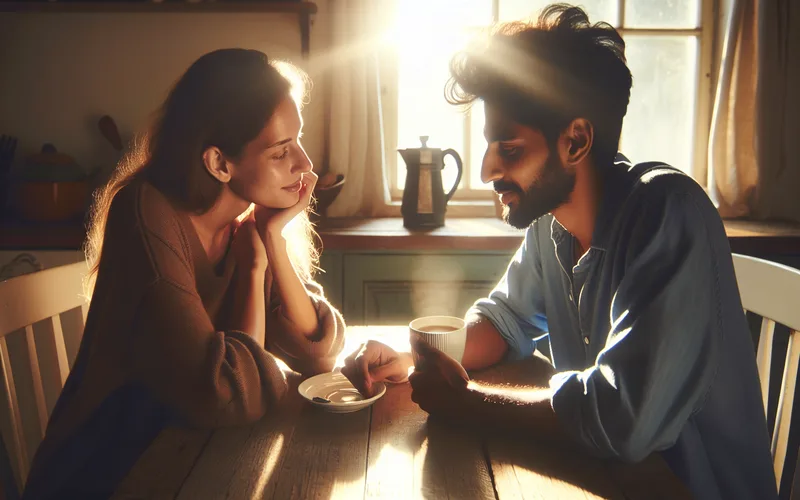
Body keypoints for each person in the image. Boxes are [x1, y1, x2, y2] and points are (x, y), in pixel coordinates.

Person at [342, 5, 777, 499]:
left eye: (508, 149)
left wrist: (469, 403)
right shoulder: (553, 223)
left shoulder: (668, 214)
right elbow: (505, 323)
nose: (486, 171)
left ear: (575, 140)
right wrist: (407, 360)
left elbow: (623, 420)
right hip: (601, 479)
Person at [23, 49, 344, 499]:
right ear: (218, 163)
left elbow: (316, 355)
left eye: (300, 140)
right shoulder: (147, 212)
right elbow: (225, 395)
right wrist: (253, 271)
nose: (305, 164)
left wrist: (272, 240)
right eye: (280, 151)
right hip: (110, 468)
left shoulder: (248, 223)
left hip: (199, 456)